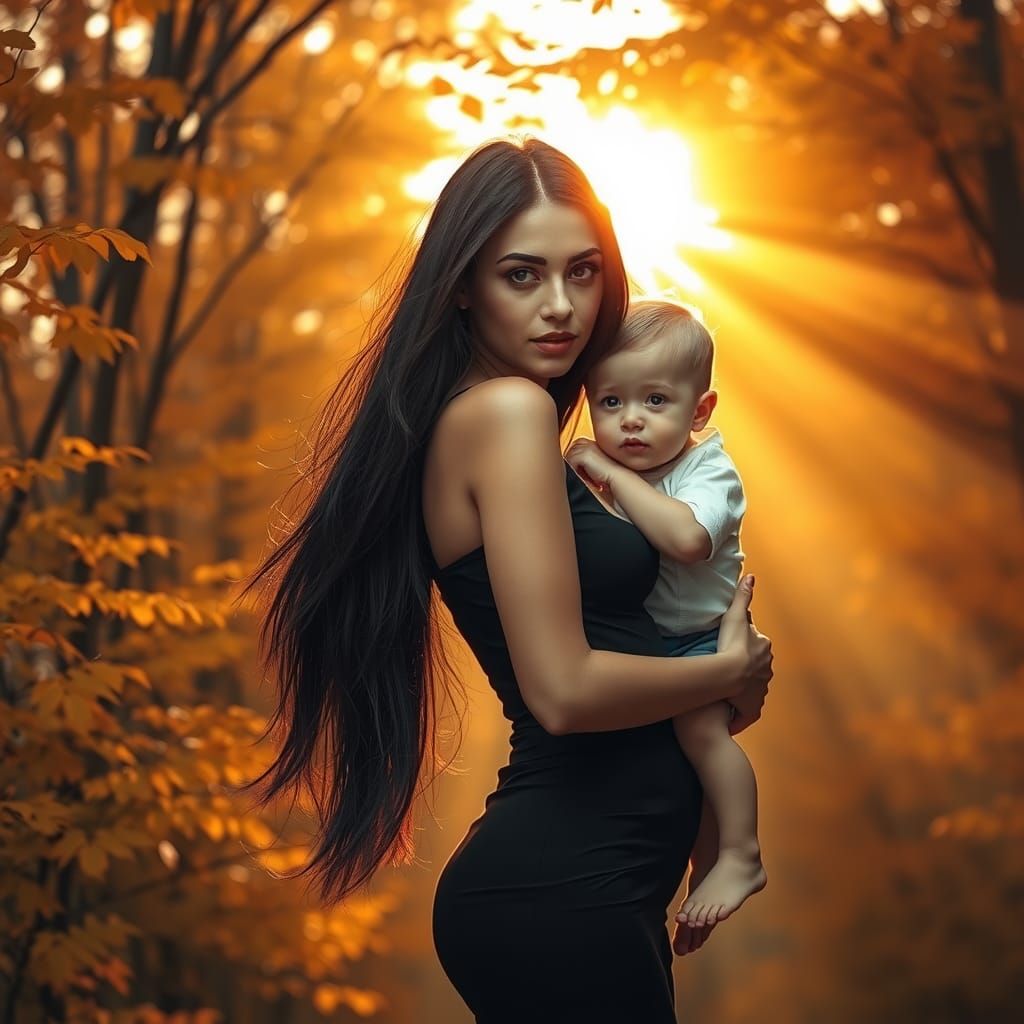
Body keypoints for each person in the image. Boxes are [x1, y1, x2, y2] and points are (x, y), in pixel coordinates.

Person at [240, 137, 773, 1024]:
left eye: (583, 272)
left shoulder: (511, 424)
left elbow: (613, 656)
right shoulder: (508, 413)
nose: (561, 306)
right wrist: (727, 672)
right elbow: (563, 692)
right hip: (561, 888)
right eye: (522, 275)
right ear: (462, 285)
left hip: (594, 887)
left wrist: (708, 693)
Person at [566, 299, 767, 958]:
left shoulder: (709, 470)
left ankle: (742, 853)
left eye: (655, 400)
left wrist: (610, 476)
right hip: (653, 647)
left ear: (699, 411)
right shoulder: (623, 474)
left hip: (702, 637)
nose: (631, 419)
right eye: (611, 401)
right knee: (683, 767)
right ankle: (703, 868)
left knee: (701, 735)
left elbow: (686, 539)